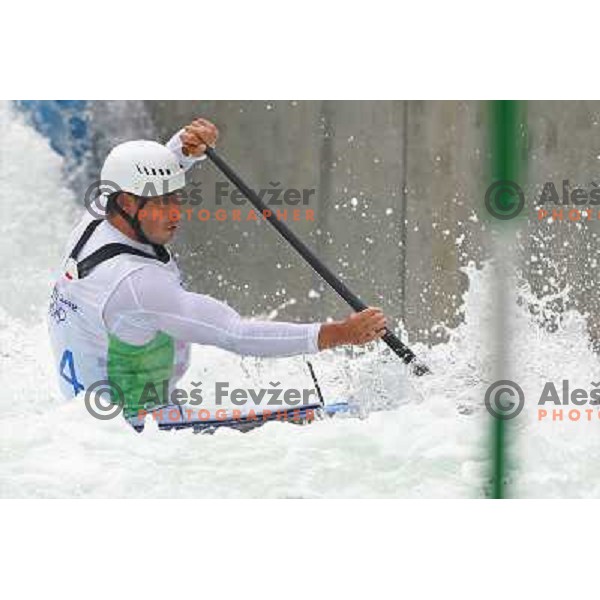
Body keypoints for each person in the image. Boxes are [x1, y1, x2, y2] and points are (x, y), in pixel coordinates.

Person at [48, 117, 387, 429]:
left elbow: (149, 175)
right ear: (126, 204)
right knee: (338, 423)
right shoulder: (136, 284)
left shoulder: (96, 218)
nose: (175, 213)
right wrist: (340, 334)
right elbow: (235, 333)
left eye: (176, 197)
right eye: (161, 203)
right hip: (135, 430)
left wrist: (183, 147)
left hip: (87, 418)